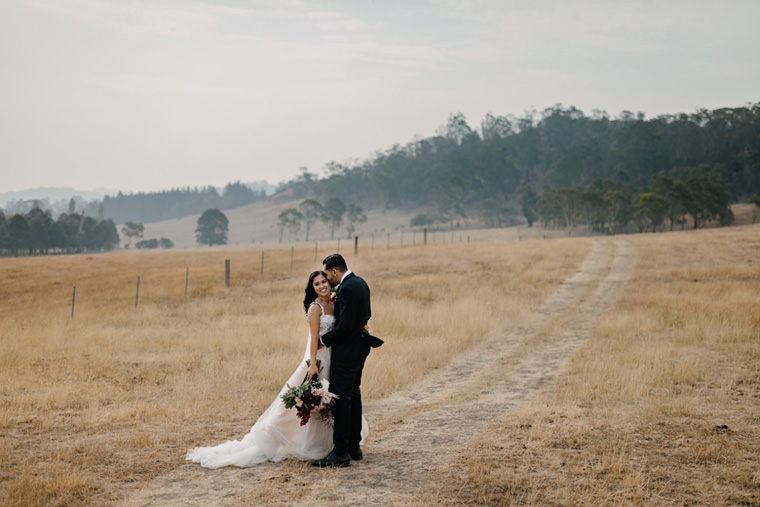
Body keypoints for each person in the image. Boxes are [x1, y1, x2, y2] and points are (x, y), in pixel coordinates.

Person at [185, 270, 367, 468]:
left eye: (324, 281)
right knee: (307, 400)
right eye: (317, 284)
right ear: (312, 288)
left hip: (336, 358)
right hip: (320, 359)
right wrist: (313, 363)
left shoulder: (335, 302)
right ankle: (275, 431)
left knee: (330, 402)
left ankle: (329, 444)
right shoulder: (315, 308)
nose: (322, 285)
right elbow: (314, 338)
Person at [312, 254, 381, 468]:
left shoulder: (347, 288)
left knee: (341, 398)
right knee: (353, 394)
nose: (327, 280)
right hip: (359, 347)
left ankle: (340, 453)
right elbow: (366, 314)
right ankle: (354, 447)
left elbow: (344, 328)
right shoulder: (360, 283)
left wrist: (322, 339)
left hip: (348, 350)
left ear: (334, 272)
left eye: (327, 275)